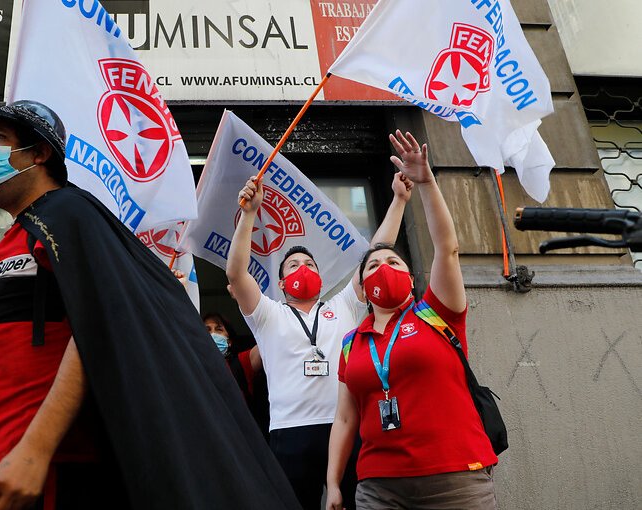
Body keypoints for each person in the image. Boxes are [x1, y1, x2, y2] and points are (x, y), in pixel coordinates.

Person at [0, 100, 300, 509]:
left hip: (45, 462)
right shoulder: (21, 232)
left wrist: (36, 448)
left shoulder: (67, 213)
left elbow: (101, 321)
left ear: (39, 153)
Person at [326, 131, 498, 510]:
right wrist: (334, 483)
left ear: (413, 277)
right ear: (363, 284)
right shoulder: (352, 342)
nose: (383, 268)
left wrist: (426, 183)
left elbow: (447, 249)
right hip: (379, 485)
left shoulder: (437, 313)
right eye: (373, 265)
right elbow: (344, 418)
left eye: (393, 262)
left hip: (455, 476)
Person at [228, 169, 413, 509]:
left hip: (344, 427)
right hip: (289, 432)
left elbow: (375, 255)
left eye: (309, 264)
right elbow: (236, 273)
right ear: (281, 284)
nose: (303, 268)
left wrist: (399, 200)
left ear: (320, 276)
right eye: (294, 265)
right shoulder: (268, 313)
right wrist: (249, 214)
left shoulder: (344, 305)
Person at [203, 312, 269, 436]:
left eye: (219, 330)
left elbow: (267, 343)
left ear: (230, 341)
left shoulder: (241, 363)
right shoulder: (190, 366)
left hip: (237, 436)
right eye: (207, 330)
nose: (212, 334)